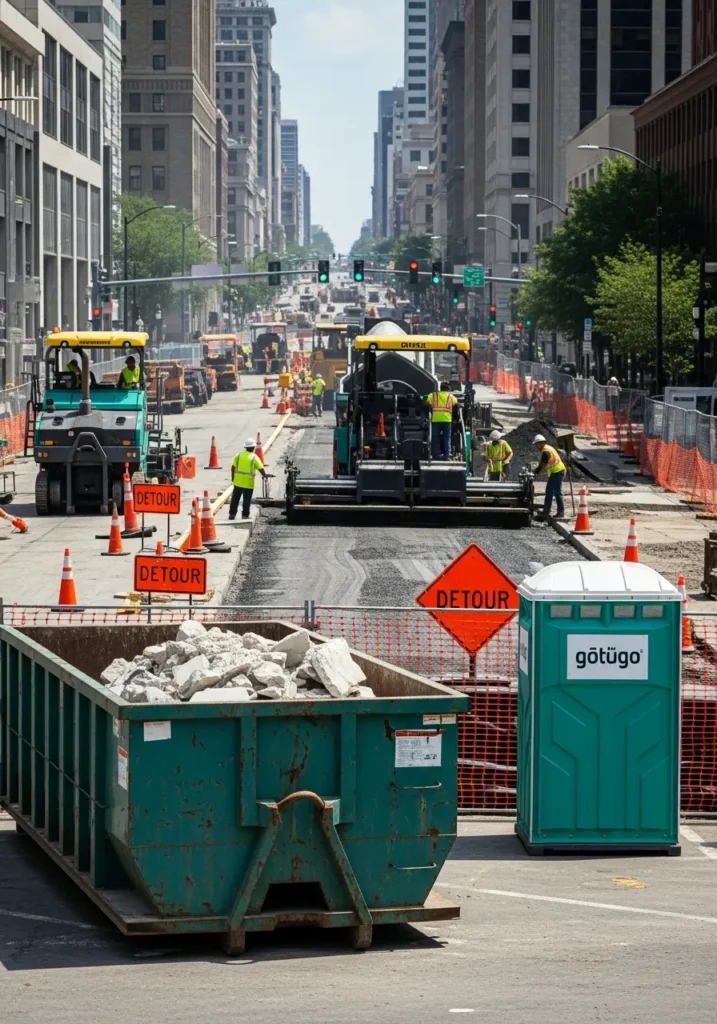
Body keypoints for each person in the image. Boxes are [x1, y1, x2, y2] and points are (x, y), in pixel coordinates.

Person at [229, 438, 269, 520]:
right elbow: (260, 468)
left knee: (235, 499)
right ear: (254, 447)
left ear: (246, 447)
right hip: (248, 483)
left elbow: (233, 467)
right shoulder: (254, 458)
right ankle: (245, 515)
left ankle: (232, 514)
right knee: (246, 500)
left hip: (238, 482)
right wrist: (265, 475)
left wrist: (233, 477)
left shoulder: (238, 455)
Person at [533, 433, 566, 520]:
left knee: (556, 492)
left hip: (557, 472)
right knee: (550, 491)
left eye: (536, 444)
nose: (536, 446)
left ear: (540, 443)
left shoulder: (546, 452)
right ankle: (547, 511)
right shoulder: (547, 448)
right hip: (557, 472)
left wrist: (535, 472)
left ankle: (559, 512)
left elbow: (542, 465)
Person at [425, 382, 457, 459]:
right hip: (447, 420)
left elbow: (425, 402)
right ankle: (447, 455)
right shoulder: (451, 397)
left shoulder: (433, 395)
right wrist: (455, 419)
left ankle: (436, 455)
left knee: (435, 438)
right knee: (447, 438)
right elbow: (456, 406)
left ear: (440, 388)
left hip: (436, 420)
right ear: (448, 389)